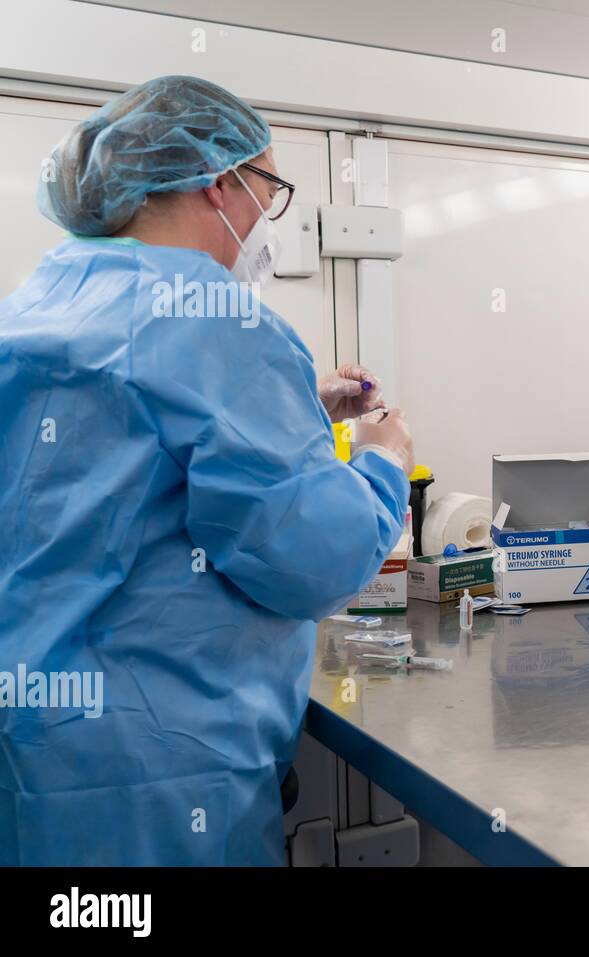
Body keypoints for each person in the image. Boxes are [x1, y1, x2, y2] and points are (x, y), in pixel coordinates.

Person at [0, 75, 415, 865]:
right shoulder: (216, 323)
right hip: (151, 767)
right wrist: (383, 462)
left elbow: (112, 462)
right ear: (219, 182)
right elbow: (313, 557)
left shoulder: (36, 307)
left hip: (30, 737)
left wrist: (297, 404)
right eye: (271, 188)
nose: (268, 218)